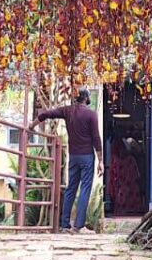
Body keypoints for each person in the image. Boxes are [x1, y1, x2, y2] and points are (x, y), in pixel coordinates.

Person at [32, 90, 103, 232]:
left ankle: (65, 225)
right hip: (87, 156)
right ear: (87, 99)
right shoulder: (91, 114)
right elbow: (96, 138)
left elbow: (46, 114)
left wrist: (32, 125)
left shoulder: (67, 111)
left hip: (73, 156)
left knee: (71, 188)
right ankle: (78, 226)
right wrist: (100, 160)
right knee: (85, 188)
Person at [108, 135, 143, 216]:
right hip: (128, 187)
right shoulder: (130, 159)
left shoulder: (116, 160)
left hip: (121, 188)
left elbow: (113, 175)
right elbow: (136, 175)